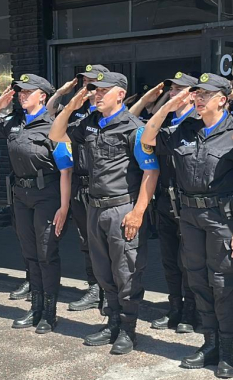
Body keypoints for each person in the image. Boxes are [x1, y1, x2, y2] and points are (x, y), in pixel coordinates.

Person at [141, 73, 233, 377]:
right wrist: (168, 106)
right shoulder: (184, 129)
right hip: (189, 217)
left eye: (205, 95)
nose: (198, 99)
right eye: (196, 94)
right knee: (197, 280)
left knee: (222, 283)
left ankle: (228, 352)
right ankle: (209, 343)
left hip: (222, 218)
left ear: (222, 99)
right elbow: (147, 138)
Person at [51, 71, 159, 355]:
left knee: (126, 272)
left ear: (120, 94)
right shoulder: (89, 123)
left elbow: (151, 171)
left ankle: (128, 329)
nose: (97, 94)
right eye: (95, 90)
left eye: (103, 90)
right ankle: (112, 323)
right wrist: (72, 106)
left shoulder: (134, 127)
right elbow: (55, 133)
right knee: (103, 272)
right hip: (94, 208)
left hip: (122, 208)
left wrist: (138, 212)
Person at [0, 74, 72, 333]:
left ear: (42, 95)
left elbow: (66, 170)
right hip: (21, 196)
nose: (22, 96)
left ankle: (49, 312)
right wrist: (0, 102)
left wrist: (64, 207)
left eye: (27, 92)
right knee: (29, 254)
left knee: (46, 253)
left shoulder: (53, 125)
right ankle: (35, 308)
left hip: (47, 195)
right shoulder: (14, 122)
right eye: (20, 92)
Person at [129, 72, 199, 334]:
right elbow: (145, 136)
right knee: (170, 262)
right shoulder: (164, 120)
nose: (174, 93)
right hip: (166, 202)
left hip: (190, 203)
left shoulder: (199, 122)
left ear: (192, 94)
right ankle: (175, 308)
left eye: (181, 89)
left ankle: (191, 313)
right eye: (172, 89)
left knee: (189, 262)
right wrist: (165, 107)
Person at [64, 64, 109, 313]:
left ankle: (109, 291)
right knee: (86, 240)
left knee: (107, 242)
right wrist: (67, 95)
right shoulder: (76, 112)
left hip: (103, 185)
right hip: (79, 183)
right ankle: (94, 288)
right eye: (85, 82)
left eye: (92, 83)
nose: (87, 87)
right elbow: (52, 122)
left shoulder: (107, 114)